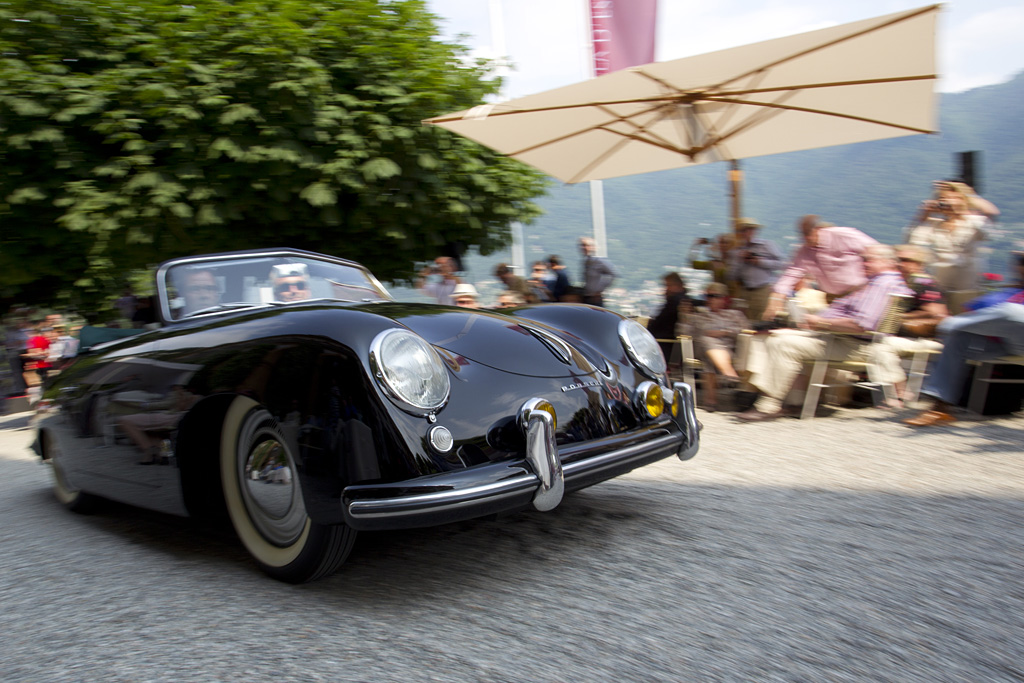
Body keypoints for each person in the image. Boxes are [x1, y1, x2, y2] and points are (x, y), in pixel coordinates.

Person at [739, 244, 912, 421]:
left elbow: (861, 324)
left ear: (886, 261)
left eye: (868, 259)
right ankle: (793, 401)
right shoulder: (886, 282)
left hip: (853, 344)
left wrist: (822, 322)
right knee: (776, 336)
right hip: (847, 338)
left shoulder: (881, 284)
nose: (863, 263)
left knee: (783, 343)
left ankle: (767, 403)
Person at [903, 291, 1024, 427]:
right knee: (958, 337)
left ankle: (942, 325)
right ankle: (940, 408)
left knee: (1012, 311)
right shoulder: (1015, 290)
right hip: (1005, 343)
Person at [866, 244, 949, 403]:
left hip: (927, 339)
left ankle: (899, 393)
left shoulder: (923, 282)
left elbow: (936, 312)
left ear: (919, 263)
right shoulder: (907, 282)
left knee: (881, 346)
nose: (900, 263)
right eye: (898, 259)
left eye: (906, 260)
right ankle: (895, 393)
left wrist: (899, 317)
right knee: (879, 346)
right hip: (909, 338)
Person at [762, 215, 879, 321]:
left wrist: (875, 277)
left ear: (818, 228)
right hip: (832, 297)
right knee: (832, 330)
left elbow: (875, 251)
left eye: (808, 233)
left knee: (859, 326)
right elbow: (790, 275)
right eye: (802, 234)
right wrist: (777, 297)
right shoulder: (804, 251)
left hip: (859, 292)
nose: (806, 238)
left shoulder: (843, 234)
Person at [905, 181, 989, 291]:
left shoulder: (974, 221)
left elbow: (986, 233)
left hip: (967, 285)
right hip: (939, 284)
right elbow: (913, 243)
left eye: (954, 198)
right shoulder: (933, 224)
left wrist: (963, 212)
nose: (948, 202)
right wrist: (924, 215)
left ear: (964, 200)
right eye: (943, 199)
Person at [691, 282, 748, 412]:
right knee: (706, 340)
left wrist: (724, 332)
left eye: (714, 296)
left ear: (724, 298)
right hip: (702, 348)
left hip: (729, 351)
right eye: (708, 296)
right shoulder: (698, 316)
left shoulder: (735, 315)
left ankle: (711, 400)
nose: (710, 299)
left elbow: (746, 331)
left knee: (708, 358)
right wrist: (684, 316)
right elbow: (686, 334)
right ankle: (729, 373)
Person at [727, 218, 784, 321]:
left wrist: (759, 262)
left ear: (755, 231)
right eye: (743, 230)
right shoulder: (736, 252)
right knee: (744, 321)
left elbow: (781, 264)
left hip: (762, 289)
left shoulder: (767, 245)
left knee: (764, 320)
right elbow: (731, 276)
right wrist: (740, 261)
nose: (747, 233)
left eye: (749, 229)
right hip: (745, 291)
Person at [647, 272, 690, 360]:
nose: (666, 289)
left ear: (677, 286)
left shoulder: (674, 302)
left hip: (664, 344)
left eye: (668, 285)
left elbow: (659, 323)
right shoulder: (683, 300)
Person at [578, 236, 617, 307]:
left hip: (595, 299)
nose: (583, 248)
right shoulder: (586, 261)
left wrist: (599, 290)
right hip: (586, 297)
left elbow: (613, 274)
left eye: (586, 245)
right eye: (582, 245)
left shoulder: (599, 261)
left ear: (592, 247)